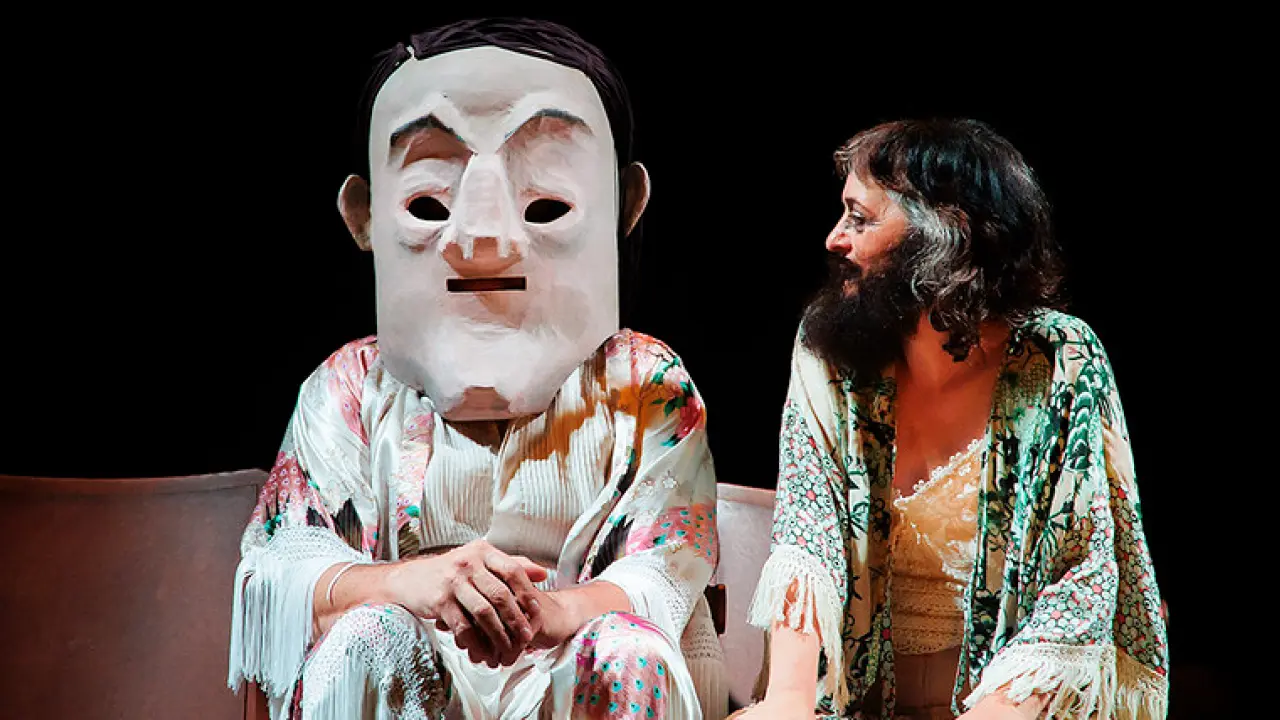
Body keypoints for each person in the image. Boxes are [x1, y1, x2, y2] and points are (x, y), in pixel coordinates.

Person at [227, 18, 725, 720]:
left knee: (627, 650)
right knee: (366, 638)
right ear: (362, 215)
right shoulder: (351, 388)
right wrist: (409, 584)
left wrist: (558, 611)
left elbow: (666, 566)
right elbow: (283, 567)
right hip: (407, 674)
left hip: (573, 672)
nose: (482, 238)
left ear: (624, 206)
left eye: (546, 203)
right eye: (428, 204)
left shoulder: (645, 386)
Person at [737, 119, 1167, 719]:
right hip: (852, 700)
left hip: (1010, 702)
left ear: (947, 234)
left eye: (860, 219)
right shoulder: (829, 349)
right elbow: (808, 532)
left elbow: (1078, 575)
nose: (834, 239)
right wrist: (788, 701)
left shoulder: (1059, 359)